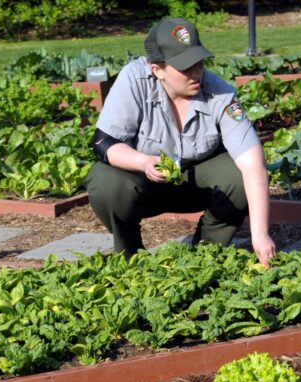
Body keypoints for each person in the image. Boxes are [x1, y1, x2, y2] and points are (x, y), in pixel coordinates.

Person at [84, 17, 277, 268]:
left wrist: (260, 235)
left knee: (239, 177)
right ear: (157, 69)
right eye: (185, 67)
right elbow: (104, 142)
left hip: (199, 185)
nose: (196, 73)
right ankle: (130, 255)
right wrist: (144, 163)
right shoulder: (133, 80)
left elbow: (253, 164)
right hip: (144, 182)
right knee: (105, 181)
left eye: (199, 63)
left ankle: (206, 255)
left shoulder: (220, 93)